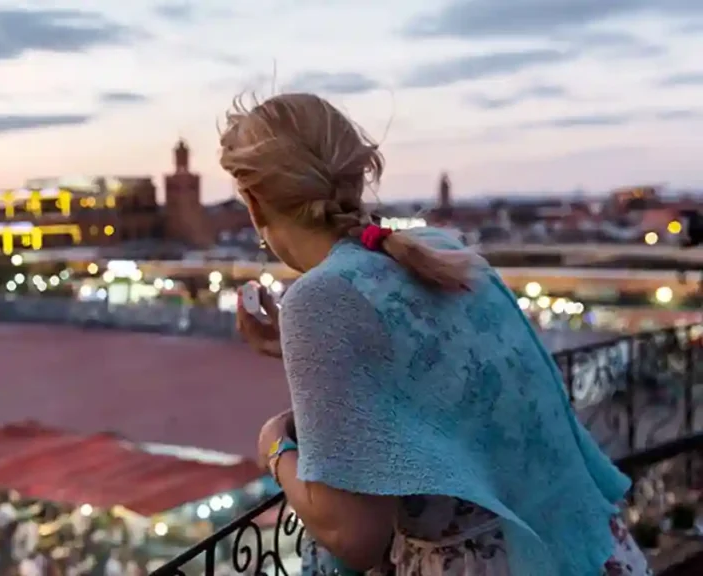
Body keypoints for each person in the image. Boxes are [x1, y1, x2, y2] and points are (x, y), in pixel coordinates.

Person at [221, 93, 651, 576]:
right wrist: (296, 350)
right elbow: (426, 381)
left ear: (254, 204)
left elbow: (355, 534)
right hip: (588, 549)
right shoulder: (437, 248)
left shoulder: (318, 296)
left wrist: (274, 446)